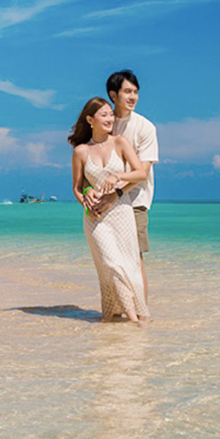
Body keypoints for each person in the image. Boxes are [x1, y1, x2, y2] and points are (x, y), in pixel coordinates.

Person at [69, 96, 151, 324]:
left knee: (130, 265)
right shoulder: (81, 152)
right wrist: (85, 195)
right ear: (90, 119)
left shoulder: (120, 142)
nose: (109, 118)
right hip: (95, 217)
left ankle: (123, 318)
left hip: (122, 212)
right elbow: (76, 188)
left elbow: (140, 173)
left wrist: (118, 176)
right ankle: (134, 320)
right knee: (110, 263)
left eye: (111, 114)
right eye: (103, 114)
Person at [106, 69, 158, 311]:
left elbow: (143, 172)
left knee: (135, 260)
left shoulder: (145, 127)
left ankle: (141, 312)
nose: (133, 97)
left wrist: (116, 193)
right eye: (127, 91)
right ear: (112, 94)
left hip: (135, 200)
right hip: (107, 202)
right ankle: (118, 310)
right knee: (111, 260)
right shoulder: (105, 121)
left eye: (135, 92)